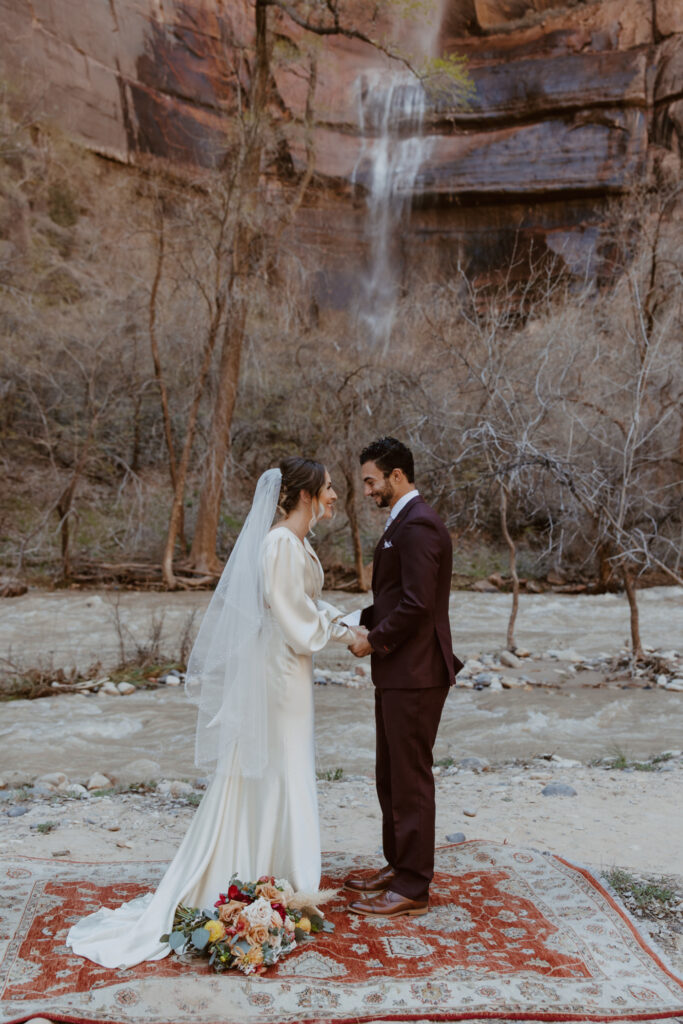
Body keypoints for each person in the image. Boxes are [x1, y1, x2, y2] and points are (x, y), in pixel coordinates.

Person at [66, 457, 361, 969]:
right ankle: (268, 872)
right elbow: (296, 618)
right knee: (278, 763)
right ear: (307, 495)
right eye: (330, 488)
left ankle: (277, 869)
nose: (336, 496)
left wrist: (349, 623)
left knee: (284, 765)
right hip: (277, 675)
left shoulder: (295, 543)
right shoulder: (279, 544)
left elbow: (305, 603)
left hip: (289, 671)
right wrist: (345, 634)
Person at [346, 437, 462, 918]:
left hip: (416, 672)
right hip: (398, 670)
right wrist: (351, 618)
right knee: (390, 775)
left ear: (397, 476)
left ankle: (415, 885)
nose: (368, 490)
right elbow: (397, 598)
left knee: (410, 779)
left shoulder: (419, 526)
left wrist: (372, 640)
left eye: (372, 481)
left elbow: (417, 605)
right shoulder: (403, 523)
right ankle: (399, 865)